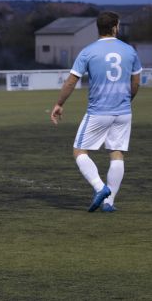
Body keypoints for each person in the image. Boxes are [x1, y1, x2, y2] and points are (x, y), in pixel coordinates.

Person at [51, 11, 142, 213]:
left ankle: (101, 188)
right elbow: (136, 82)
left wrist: (59, 103)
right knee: (117, 154)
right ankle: (109, 203)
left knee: (79, 151)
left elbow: (71, 81)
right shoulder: (130, 51)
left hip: (99, 111)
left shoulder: (88, 51)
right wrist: (127, 100)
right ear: (115, 27)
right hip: (123, 111)